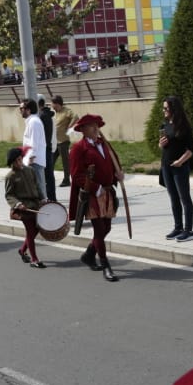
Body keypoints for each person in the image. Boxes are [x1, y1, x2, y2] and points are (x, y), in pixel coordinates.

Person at [68, 114, 125, 282]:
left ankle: (89, 254)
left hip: (107, 192)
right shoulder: (78, 149)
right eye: (91, 126)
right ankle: (106, 265)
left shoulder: (104, 144)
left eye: (96, 125)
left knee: (106, 228)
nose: (95, 128)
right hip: (92, 194)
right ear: (83, 130)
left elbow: (113, 164)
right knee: (99, 230)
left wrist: (117, 175)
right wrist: (96, 187)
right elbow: (76, 175)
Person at [158, 95, 193, 241]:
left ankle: (188, 230)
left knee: (184, 198)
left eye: (166, 108)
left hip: (180, 167)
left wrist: (180, 161)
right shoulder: (165, 125)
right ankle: (178, 227)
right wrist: (160, 144)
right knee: (173, 198)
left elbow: (191, 148)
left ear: (174, 108)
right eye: (163, 108)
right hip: (166, 166)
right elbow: (162, 146)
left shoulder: (184, 126)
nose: (164, 111)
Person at [4, 146, 45, 268]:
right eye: (15, 161)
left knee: (37, 229)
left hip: (36, 205)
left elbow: (37, 186)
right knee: (30, 231)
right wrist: (17, 204)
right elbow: (9, 195)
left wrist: (43, 199)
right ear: (11, 163)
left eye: (20, 159)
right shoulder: (10, 176)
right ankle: (34, 259)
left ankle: (22, 250)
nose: (18, 163)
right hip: (24, 208)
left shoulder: (30, 170)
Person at [20, 98, 48, 200]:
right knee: (35, 190)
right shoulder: (31, 121)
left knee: (39, 190)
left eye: (21, 108)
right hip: (33, 161)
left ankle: (45, 210)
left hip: (34, 162)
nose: (20, 111)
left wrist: (28, 161)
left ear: (28, 110)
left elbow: (33, 144)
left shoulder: (34, 122)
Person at [53, 96, 75, 187]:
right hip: (55, 142)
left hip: (63, 141)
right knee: (51, 161)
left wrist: (70, 126)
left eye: (53, 104)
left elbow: (75, 117)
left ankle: (66, 180)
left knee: (65, 162)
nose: (52, 106)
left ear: (57, 104)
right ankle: (50, 179)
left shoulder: (66, 111)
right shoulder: (56, 113)